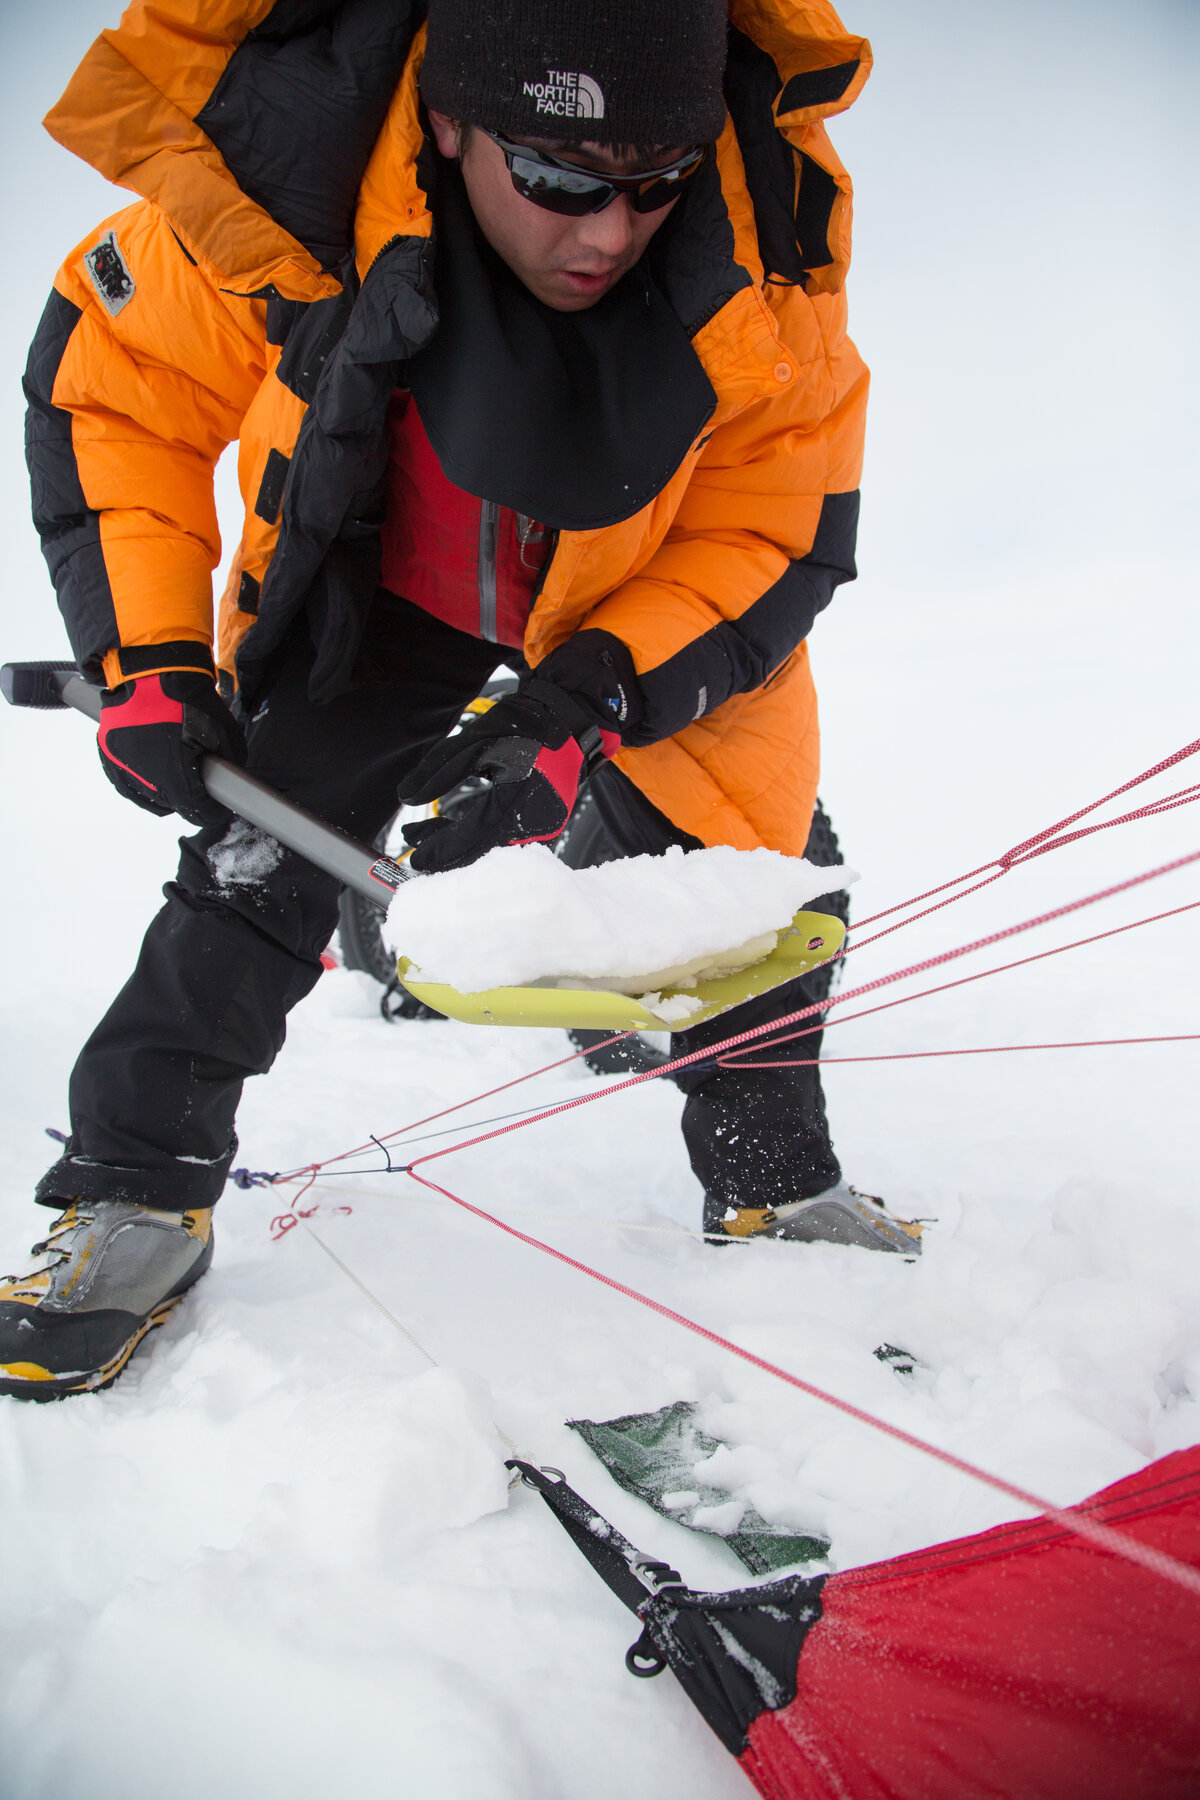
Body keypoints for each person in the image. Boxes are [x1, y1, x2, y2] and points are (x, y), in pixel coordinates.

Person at [1, 0, 920, 1403]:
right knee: (263, 854)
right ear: (450, 122)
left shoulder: (758, 261)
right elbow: (119, 392)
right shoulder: (284, 206)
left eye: (655, 181)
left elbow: (772, 525)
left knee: (746, 868)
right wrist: (149, 660)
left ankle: (776, 1183)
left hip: (631, 612)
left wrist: (583, 706)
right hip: (391, 590)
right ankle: (133, 1194)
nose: (611, 232)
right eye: (559, 177)